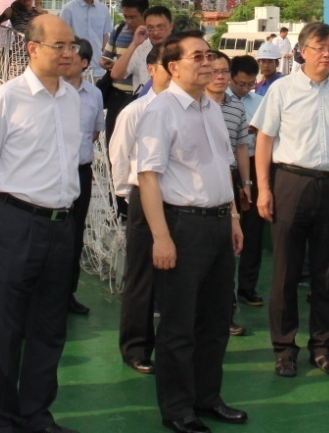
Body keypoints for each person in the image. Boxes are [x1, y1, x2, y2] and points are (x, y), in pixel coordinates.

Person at [0, 15, 81, 433]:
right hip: (17, 221)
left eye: (71, 45)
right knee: (5, 328)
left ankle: (36, 414)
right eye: (59, 45)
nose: (68, 53)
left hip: (62, 224)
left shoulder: (72, 98)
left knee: (49, 327)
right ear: (33, 48)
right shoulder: (7, 98)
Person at [137, 31, 248, 433]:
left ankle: (207, 396)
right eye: (197, 57)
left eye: (208, 55)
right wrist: (161, 237)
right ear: (174, 66)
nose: (207, 63)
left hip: (218, 224)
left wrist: (233, 217)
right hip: (183, 226)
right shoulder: (161, 111)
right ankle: (178, 409)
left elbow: (222, 166)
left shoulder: (212, 109)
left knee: (215, 322)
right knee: (178, 326)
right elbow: (148, 177)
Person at [251, 22, 329, 378]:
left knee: (327, 272)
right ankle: (284, 349)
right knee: (285, 272)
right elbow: (265, 140)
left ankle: (323, 347)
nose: (327, 54)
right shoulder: (282, 89)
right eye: (320, 47)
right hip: (291, 183)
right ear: (301, 51)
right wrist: (264, 188)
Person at [113, 45, 170, 374]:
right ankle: (136, 347)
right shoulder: (136, 110)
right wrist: (127, 196)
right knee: (142, 277)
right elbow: (119, 155)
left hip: (178, 200)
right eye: (166, 65)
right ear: (151, 69)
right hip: (142, 196)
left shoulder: (188, 109)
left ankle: (172, 346)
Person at [204, 50, 252, 337]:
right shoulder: (196, 106)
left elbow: (242, 147)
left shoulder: (237, 108)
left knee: (229, 249)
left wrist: (246, 184)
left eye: (224, 72)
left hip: (230, 180)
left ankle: (226, 312)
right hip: (202, 182)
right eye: (214, 71)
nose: (220, 77)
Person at [65, 38, 104, 316]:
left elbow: (95, 131)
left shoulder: (94, 95)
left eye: (72, 54)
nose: (65, 58)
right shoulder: (51, 91)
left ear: (84, 63)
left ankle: (68, 293)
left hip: (81, 171)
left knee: (76, 234)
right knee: (52, 234)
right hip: (53, 173)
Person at [229, 55, 265, 307]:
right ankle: (225, 290)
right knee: (227, 228)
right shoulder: (218, 101)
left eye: (249, 84)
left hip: (254, 163)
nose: (244, 89)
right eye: (240, 83)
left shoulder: (260, 103)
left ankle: (247, 287)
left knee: (253, 228)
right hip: (226, 165)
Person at [100, 0, 150, 139]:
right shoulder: (119, 30)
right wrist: (107, 63)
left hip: (141, 97)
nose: (129, 21)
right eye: (126, 17)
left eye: (133, 17)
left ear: (145, 13)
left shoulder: (153, 36)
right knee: (114, 141)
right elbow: (105, 56)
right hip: (117, 96)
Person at [60, 0, 113, 78]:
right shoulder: (68, 10)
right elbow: (63, 40)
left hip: (98, 71)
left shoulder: (103, 10)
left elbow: (105, 39)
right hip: (75, 71)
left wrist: (107, 59)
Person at [112, 4, 173, 95]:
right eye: (150, 28)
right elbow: (115, 74)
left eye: (160, 27)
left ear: (171, 26)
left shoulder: (181, 49)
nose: (155, 32)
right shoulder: (140, 48)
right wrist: (134, 44)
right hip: (143, 101)